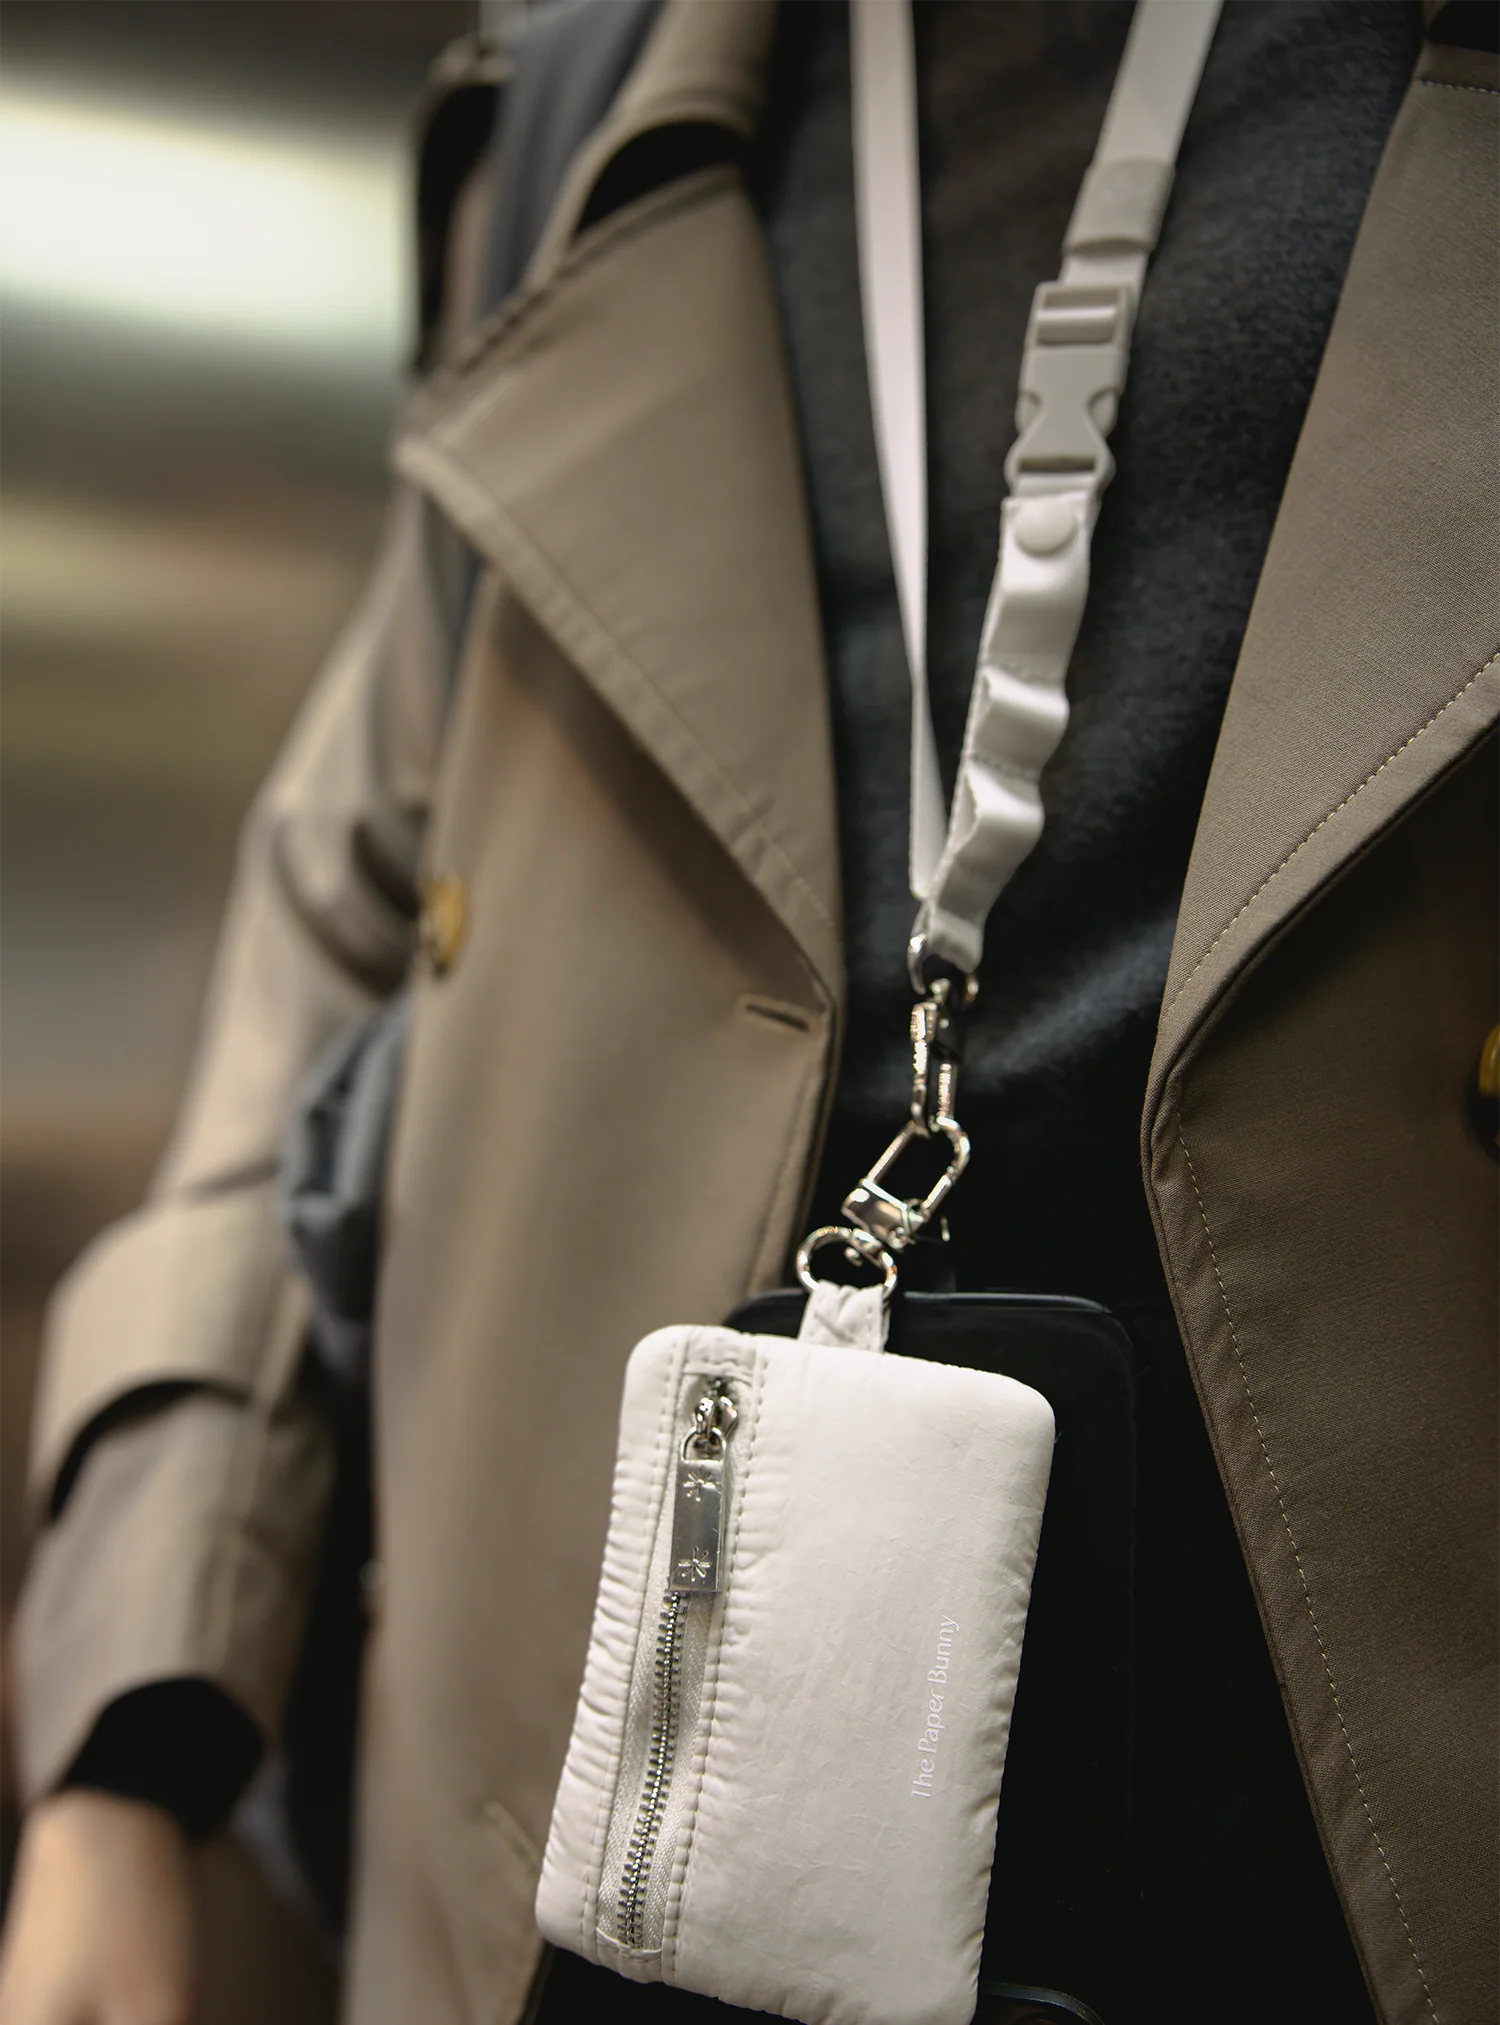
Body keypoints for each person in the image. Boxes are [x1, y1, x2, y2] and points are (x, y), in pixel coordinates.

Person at [3, 1, 1499, 2020]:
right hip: (570, 1793)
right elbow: (337, 941)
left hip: (1347, 1827)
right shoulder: (585, 118)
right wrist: (133, 1734)